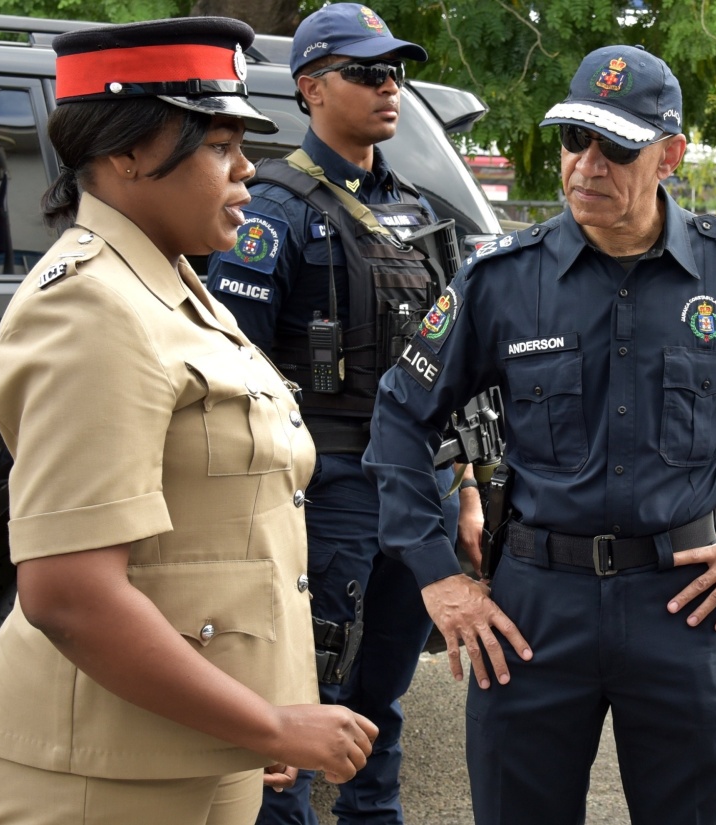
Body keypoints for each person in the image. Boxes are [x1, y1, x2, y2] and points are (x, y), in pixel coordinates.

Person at [363, 44, 716, 825]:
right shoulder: (501, 279)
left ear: (669, 155)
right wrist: (438, 576)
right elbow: (399, 416)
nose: (586, 165)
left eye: (616, 147)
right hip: (532, 610)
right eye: (573, 140)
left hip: (684, 604)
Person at [0, 17, 376, 825]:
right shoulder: (91, 306)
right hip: (106, 778)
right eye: (219, 145)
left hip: (190, 743)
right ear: (125, 154)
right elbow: (70, 593)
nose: (246, 171)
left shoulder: (173, 283)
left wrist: (248, 710)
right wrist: (271, 721)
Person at [206, 6, 479, 824]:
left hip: (419, 486)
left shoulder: (423, 215)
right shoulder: (274, 208)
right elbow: (236, 369)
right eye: (366, 72)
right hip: (328, 492)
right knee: (300, 704)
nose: (387, 85)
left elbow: (452, 365)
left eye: (393, 70)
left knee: (383, 696)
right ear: (311, 88)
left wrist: (463, 485)